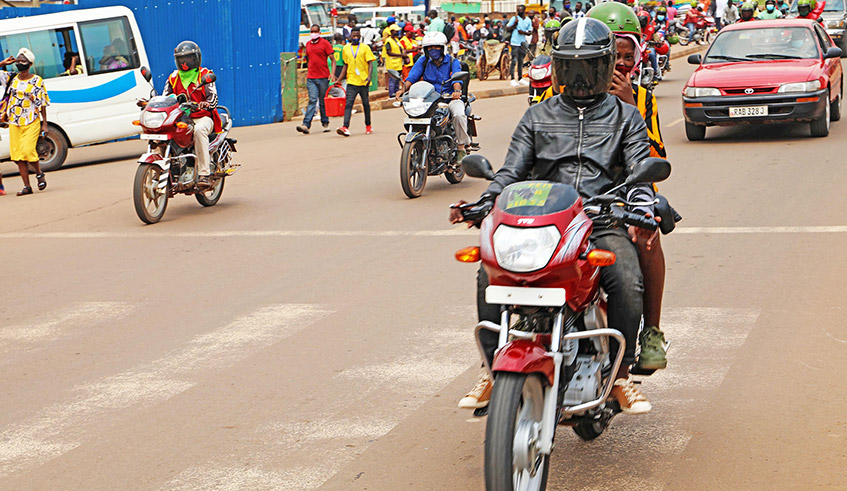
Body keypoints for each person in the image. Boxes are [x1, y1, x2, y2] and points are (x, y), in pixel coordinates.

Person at [454, 18, 657, 415]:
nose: (580, 78)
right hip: (547, 225)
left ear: (607, 66)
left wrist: (643, 202)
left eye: (589, 67)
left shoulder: (626, 118)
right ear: (559, 68)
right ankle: (494, 368)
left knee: (627, 278)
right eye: (571, 67)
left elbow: (639, 170)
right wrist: (485, 200)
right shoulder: (536, 116)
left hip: (599, 221)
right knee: (489, 271)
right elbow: (511, 172)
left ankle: (620, 375)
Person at [396, 31, 470, 163]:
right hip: (429, 101)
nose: (432, 50)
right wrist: (402, 90)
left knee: (459, 115)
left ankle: (460, 148)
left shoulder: (453, 61)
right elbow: (412, 77)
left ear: (443, 48)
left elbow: (457, 78)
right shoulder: (423, 61)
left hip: (448, 99)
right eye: (429, 47)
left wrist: (456, 92)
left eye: (436, 47)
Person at [164, 41, 220, 187]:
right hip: (182, 118)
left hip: (203, 117)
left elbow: (213, 98)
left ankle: (204, 174)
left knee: (199, 130)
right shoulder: (173, 77)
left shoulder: (205, 74)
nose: (185, 62)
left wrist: (206, 104)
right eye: (182, 59)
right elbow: (165, 97)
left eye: (188, 58)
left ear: (196, 58)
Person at [1, 48, 49, 196]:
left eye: (23, 61)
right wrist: (2, 63)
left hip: (31, 121)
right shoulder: (11, 78)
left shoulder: (36, 80)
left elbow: (41, 103)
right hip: (14, 122)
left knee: (28, 151)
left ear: (29, 64)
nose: (20, 63)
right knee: (17, 156)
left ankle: (39, 173)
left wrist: (44, 124)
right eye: (18, 60)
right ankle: (27, 186)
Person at [337, 28, 375, 137]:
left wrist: (369, 76)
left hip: (363, 81)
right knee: (348, 103)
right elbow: (345, 65)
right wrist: (339, 79)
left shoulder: (365, 48)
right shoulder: (346, 49)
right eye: (354, 36)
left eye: (357, 36)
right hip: (351, 81)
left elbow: (370, 63)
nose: (356, 38)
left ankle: (368, 125)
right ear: (350, 36)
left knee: (366, 104)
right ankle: (345, 126)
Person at [297, 26, 335, 135]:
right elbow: (308, 59)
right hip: (311, 77)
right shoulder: (308, 44)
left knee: (323, 101)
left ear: (319, 32)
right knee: (313, 99)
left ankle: (325, 122)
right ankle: (306, 124)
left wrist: (332, 73)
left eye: (315, 31)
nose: (313, 33)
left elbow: (333, 59)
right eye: (311, 31)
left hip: (323, 77)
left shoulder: (325, 44)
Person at [506, 5, 532, 87]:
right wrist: (514, 24)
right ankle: (513, 79)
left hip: (522, 43)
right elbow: (507, 28)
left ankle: (520, 78)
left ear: (524, 10)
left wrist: (523, 32)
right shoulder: (514, 18)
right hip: (514, 42)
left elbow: (530, 31)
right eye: (518, 10)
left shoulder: (528, 20)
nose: (519, 12)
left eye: (520, 10)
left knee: (521, 61)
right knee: (514, 61)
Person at [382, 25, 405, 98]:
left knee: (397, 80)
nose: (397, 32)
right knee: (392, 81)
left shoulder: (396, 40)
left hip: (398, 63)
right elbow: (389, 52)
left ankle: (396, 93)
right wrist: (401, 55)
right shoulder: (388, 41)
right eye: (396, 31)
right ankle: (392, 94)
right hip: (392, 64)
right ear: (392, 31)